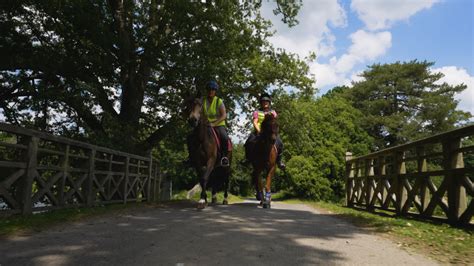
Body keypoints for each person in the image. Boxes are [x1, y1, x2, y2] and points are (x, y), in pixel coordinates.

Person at [243, 92, 285, 170]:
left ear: (269, 103)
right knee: (248, 142)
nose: (265, 103)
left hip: (271, 133)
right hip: (259, 132)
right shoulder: (257, 112)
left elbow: (275, 122)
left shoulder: (273, 112)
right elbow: (255, 122)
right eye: (263, 102)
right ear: (261, 103)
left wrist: (275, 131)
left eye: (266, 102)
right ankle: (247, 159)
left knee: (280, 143)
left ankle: (279, 161)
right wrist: (259, 131)